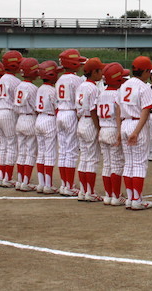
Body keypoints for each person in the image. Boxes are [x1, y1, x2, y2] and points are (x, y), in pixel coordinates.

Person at [118, 56, 152, 210]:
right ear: (145, 71)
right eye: (149, 71)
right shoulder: (144, 87)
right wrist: (137, 131)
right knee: (139, 164)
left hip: (125, 122)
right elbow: (146, 110)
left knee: (129, 163)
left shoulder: (124, 85)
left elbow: (118, 107)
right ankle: (137, 199)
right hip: (136, 123)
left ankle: (130, 198)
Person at [56, 49, 87, 197]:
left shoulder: (60, 79)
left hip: (60, 113)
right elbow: (79, 101)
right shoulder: (76, 79)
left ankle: (64, 184)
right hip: (70, 113)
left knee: (63, 150)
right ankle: (69, 186)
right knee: (72, 151)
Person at [97, 62, 128, 206]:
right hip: (113, 128)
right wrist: (120, 132)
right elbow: (118, 114)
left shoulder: (102, 92)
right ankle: (116, 196)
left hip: (103, 128)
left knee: (107, 164)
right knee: (116, 164)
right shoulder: (117, 93)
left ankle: (108, 195)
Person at [75, 57, 106, 202]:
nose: (102, 73)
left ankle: (83, 190)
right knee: (92, 159)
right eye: (100, 70)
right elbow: (93, 110)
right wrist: (98, 127)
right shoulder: (93, 88)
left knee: (84, 158)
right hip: (90, 122)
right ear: (94, 72)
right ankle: (90, 191)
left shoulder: (81, 85)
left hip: (82, 120)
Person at [0, 50, 23, 188]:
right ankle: (7, 177)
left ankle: (1, 176)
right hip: (8, 113)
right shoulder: (15, 81)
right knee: (12, 145)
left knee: (3, 145)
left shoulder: (2, 79)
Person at [35, 60, 63, 194]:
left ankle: (41, 183)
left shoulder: (39, 89)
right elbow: (57, 109)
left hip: (39, 118)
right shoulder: (52, 90)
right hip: (49, 119)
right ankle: (48, 184)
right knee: (50, 153)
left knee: (41, 152)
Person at [14, 57, 40, 191]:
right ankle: (26, 181)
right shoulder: (33, 88)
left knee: (21, 151)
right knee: (30, 152)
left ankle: (20, 180)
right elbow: (37, 107)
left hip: (20, 119)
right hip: (30, 119)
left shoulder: (19, 85)